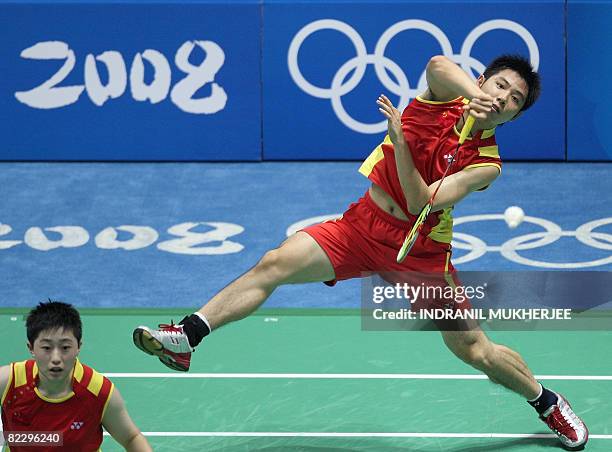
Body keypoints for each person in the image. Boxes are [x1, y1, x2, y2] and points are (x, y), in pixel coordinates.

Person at [132, 54, 588, 450]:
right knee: (274, 263)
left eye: (513, 100)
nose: (503, 97)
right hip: (361, 225)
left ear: (514, 116)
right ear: (484, 80)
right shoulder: (441, 98)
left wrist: (402, 143)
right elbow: (437, 66)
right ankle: (187, 337)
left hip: (419, 253)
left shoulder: (487, 164)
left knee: (474, 349)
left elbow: (418, 201)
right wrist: (473, 97)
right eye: (500, 85)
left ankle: (545, 401)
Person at [0, 301, 152, 452]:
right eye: (46, 347)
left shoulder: (98, 391)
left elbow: (131, 438)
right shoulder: (9, 382)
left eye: (65, 347)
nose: (56, 358)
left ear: (79, 346)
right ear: (31, 348)